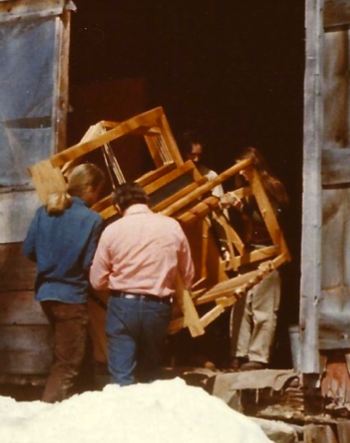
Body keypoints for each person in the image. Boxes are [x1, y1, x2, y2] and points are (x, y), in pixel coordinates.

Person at [90, 182, 195, 385]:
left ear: (118, 207)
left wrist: (120, 279)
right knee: (151, 372)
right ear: (146, 201)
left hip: (122, 305)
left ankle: (124, 413)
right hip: (158, 305)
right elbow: (188, 273)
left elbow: (97, 280)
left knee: (121, 375)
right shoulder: (171, 226)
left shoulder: (112, 230)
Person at [22, 163, 106, 403]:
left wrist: (51, 261)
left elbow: (28, 249)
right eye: (98, 191)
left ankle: (85, 403)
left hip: (47, 294)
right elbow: (88, 263)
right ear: (89, 188)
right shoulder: (92, 219)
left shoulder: (45, 210)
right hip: (71, 296)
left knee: (76, 351)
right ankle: (48, 412)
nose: (97, 197)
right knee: (67, 363)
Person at [222, 147, 289, 371]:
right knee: (240, 304)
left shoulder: (272, 186)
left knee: (263, 307)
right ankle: (238, 354)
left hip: (268, 251)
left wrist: (242, 208)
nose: (240, 173)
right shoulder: (242, 189)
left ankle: (258, 357)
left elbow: (273, 217)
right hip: (248, 252)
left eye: (244, 168)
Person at [178, 129, 223, 198]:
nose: (196, 159)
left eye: (199, 155)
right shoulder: (175, 176)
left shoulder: (211, 176)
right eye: (192, 155)